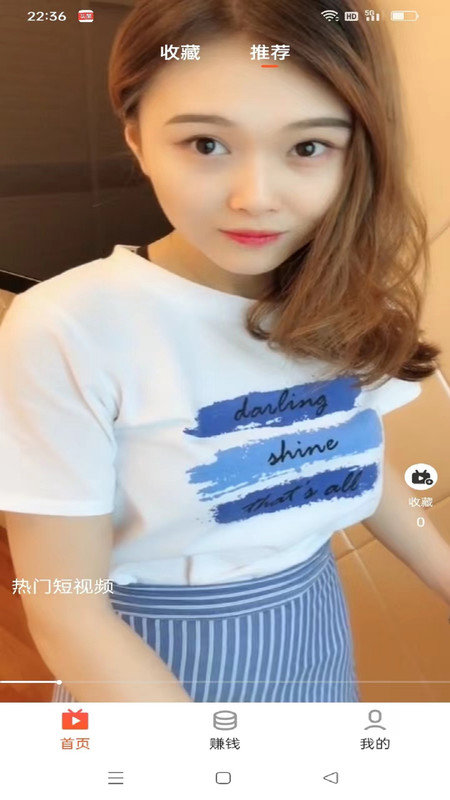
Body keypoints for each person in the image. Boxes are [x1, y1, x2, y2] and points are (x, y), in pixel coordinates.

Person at [0, 0, 443, 703]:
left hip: (316, 633)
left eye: (308, 147)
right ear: (136, 138)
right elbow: (68, 612)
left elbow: (348, 451)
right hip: (154, 669)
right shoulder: (67, 329)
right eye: (206, 144)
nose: (255, 198)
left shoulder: (341, 298)